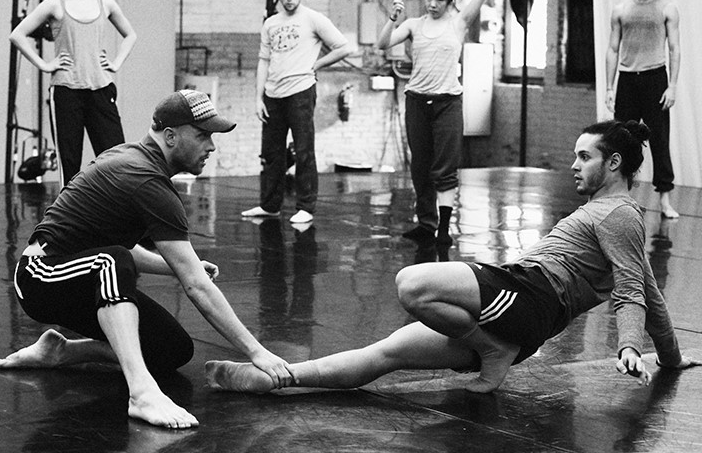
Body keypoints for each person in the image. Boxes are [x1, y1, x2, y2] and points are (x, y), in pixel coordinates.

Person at [207, 120, 700, 396]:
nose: (573, 164)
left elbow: (633, 293)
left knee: (412, 284)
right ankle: (277, 379)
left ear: (613, 162)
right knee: (385, 354)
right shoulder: (616, 215)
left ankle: (492, 349)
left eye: (584, 156)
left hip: (530, 296)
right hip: (521, 313)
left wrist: (628, 347)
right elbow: (650, 292)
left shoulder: (618, 214)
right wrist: (671, 360)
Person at [0, 90, 293, 429]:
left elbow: (115, 246)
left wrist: (176, 268)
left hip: (78, 272)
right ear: (170, 136)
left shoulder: (135, 159)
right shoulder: (144, 178)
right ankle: (141, 394)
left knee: (172, 349)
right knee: (113, 263)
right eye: (202, 135)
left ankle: (62, 351)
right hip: (39, 277)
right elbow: (193, 285)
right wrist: (256, 352)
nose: (211, 146)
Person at [377, 0, 488, 246]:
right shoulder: (414, 24)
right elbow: (383, 44)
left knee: (445, 168)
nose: (433, 4)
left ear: (449, 0)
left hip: (447, 102)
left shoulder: (460, 22)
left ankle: (443, 229)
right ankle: (426, 223)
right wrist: (393, 18)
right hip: (417, 101)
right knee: (421, 167)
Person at [10, 0, 137, 186]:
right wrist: (45, 65)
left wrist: (116, 62)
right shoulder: (55, 3)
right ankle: (71, 217)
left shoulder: (105, 3)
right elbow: (17, 34)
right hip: (67, 91)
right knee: (70, 162)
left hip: (100, 88)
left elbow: (130, 35)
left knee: (116, 157)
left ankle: (116, 212)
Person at [241, 0, 352, 225]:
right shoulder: (270, 23)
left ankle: (306, 206)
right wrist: (258, 97)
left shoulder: (313, 19)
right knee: (271, 153)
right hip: (273, 94)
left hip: (301, 91)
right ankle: (270, 205)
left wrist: (317, 64)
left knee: (303, 150)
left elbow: (344, 46)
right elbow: (263, 61)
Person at [605, 0, 680, 219]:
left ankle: (665, 200)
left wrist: (671, 86)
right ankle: (619, 196)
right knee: (622, 141)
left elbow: (674, 48)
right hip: (627, 79)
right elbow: (613, 49)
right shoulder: (621, 10)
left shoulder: (667, 9)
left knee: (659, 139)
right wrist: (609, 87)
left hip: (655, 78)